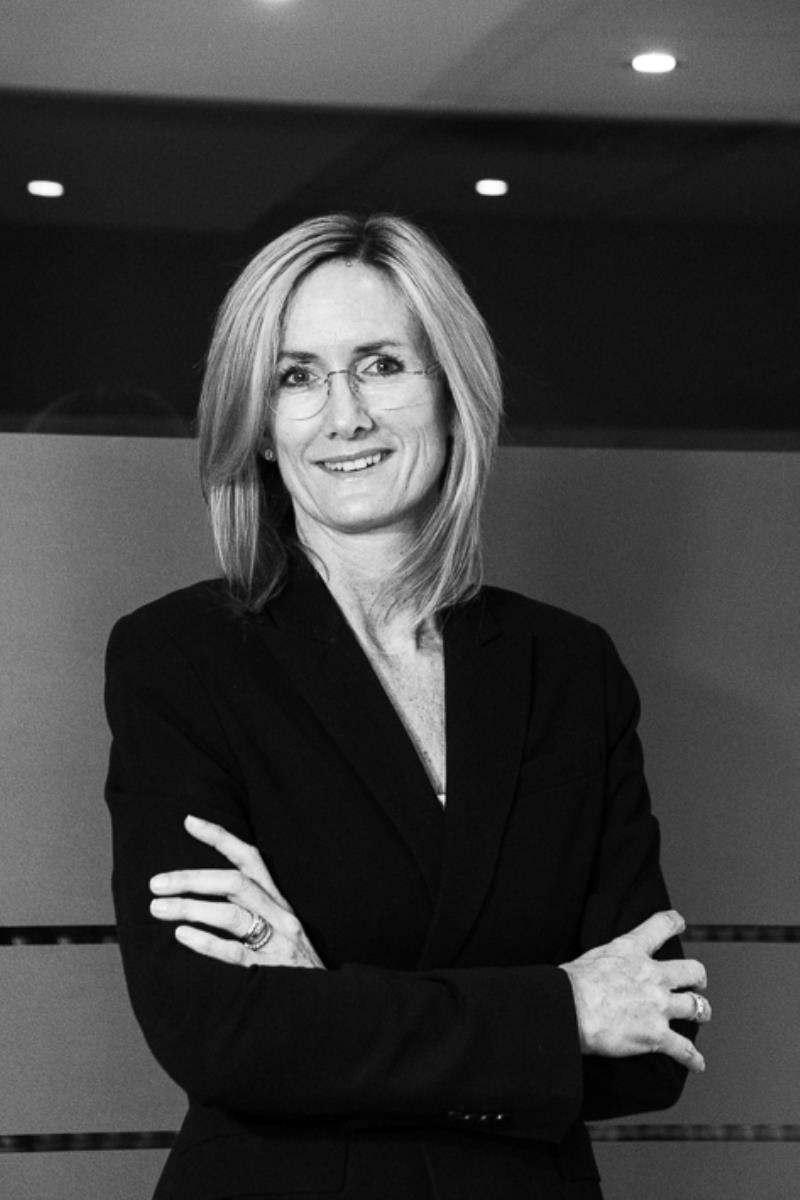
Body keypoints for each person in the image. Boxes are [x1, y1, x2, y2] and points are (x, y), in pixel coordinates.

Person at [104, 212, 711, 1200]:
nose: (343, 416)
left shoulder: (568, 669)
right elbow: (219, 1032)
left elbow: (652, 1043)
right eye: (295, 377)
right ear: (259, 427)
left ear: (451, 393)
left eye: (381, 365)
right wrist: (560, 1014)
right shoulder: (180, 658)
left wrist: (328, 1010)